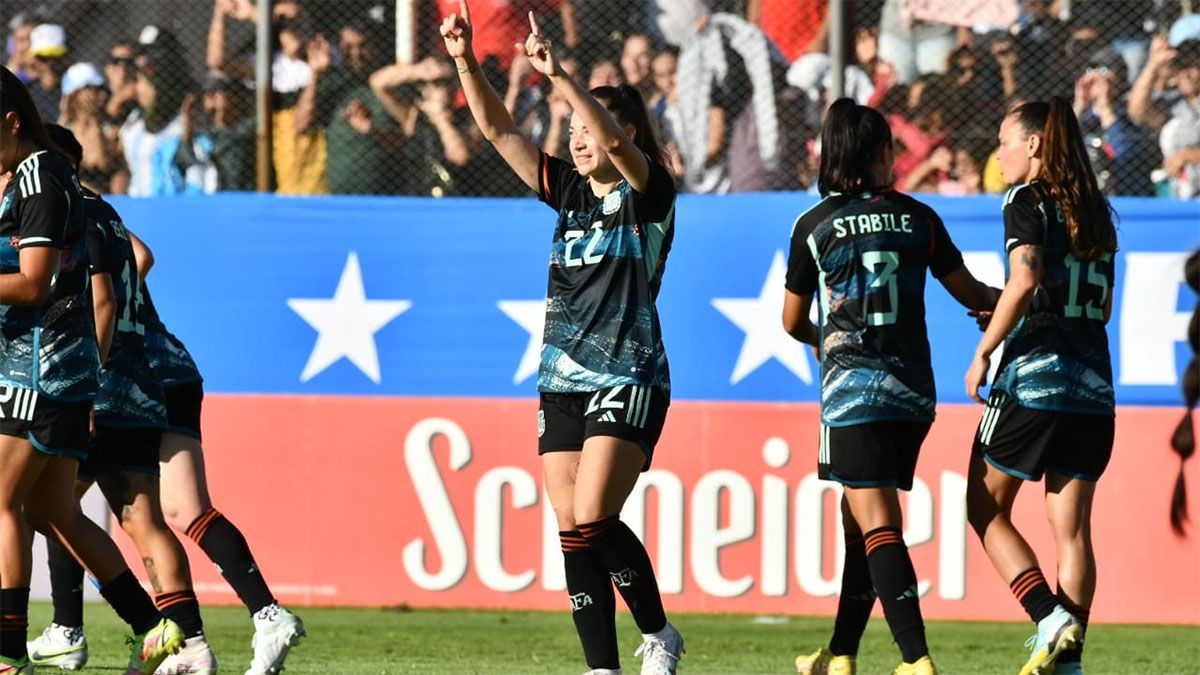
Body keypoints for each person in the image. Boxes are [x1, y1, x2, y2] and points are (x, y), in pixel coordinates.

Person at [441, 2, 684, 673]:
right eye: (571, 127)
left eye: (588, 125)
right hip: (561, 377)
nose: (578, 137)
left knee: (592, 513)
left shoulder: (648, 191)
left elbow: (611, 145)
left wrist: (561, 78)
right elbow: (495, 130)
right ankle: (601, 666)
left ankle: (659, 634)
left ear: (626, 131)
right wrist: (464, 58)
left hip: (628, 374)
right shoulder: (566, 192)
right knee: (573, 530)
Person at [783, 98, 997, 675]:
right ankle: (842, 654)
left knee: (877, 523)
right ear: (878, 154)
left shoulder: (813, 226)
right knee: (861, 521)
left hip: (852, 391)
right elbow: (974, 293)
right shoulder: (920, 218)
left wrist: (821, 342)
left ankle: (915, 660)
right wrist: (1018, 304)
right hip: (912, 395)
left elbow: (790, 319)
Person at [0, 65, 182, 675]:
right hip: (54, 371)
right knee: (50, 511)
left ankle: (4, 653)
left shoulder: (41, 173)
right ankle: (153, 629)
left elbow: (34, 282)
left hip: (41, 371)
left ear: (10, 120)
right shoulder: (20, 177)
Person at [22, 124, 218, 674]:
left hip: (95, 386)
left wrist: (89, 377)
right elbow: (141, 257)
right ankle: (191, 647)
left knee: (43, 507)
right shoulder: (103, 209)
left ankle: (79, 631)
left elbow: (102, 300)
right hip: (136, 380)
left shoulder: (63, 213)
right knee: (139, 518)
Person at [964, 97, 1118, 675]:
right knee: (1072, 529)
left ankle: (1050, 619)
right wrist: (1022, 313)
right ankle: (1070, 664)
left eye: (1004, 140)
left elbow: (1024, 276)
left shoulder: (1026, 199)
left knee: (982, 503)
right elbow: (1098, 308)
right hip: (1095, 385)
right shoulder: (1098, 209)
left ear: (1032, 145)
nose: (998, 153)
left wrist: (986, 350)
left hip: (1034, 381)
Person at [128, 215, 307, 675]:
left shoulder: (57, 198)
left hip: (136, 376)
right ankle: (267, 617)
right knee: (185, 510)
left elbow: (140, 257)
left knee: (64, 506)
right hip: (169, 371)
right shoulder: (56, 198)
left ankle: (76, 632)